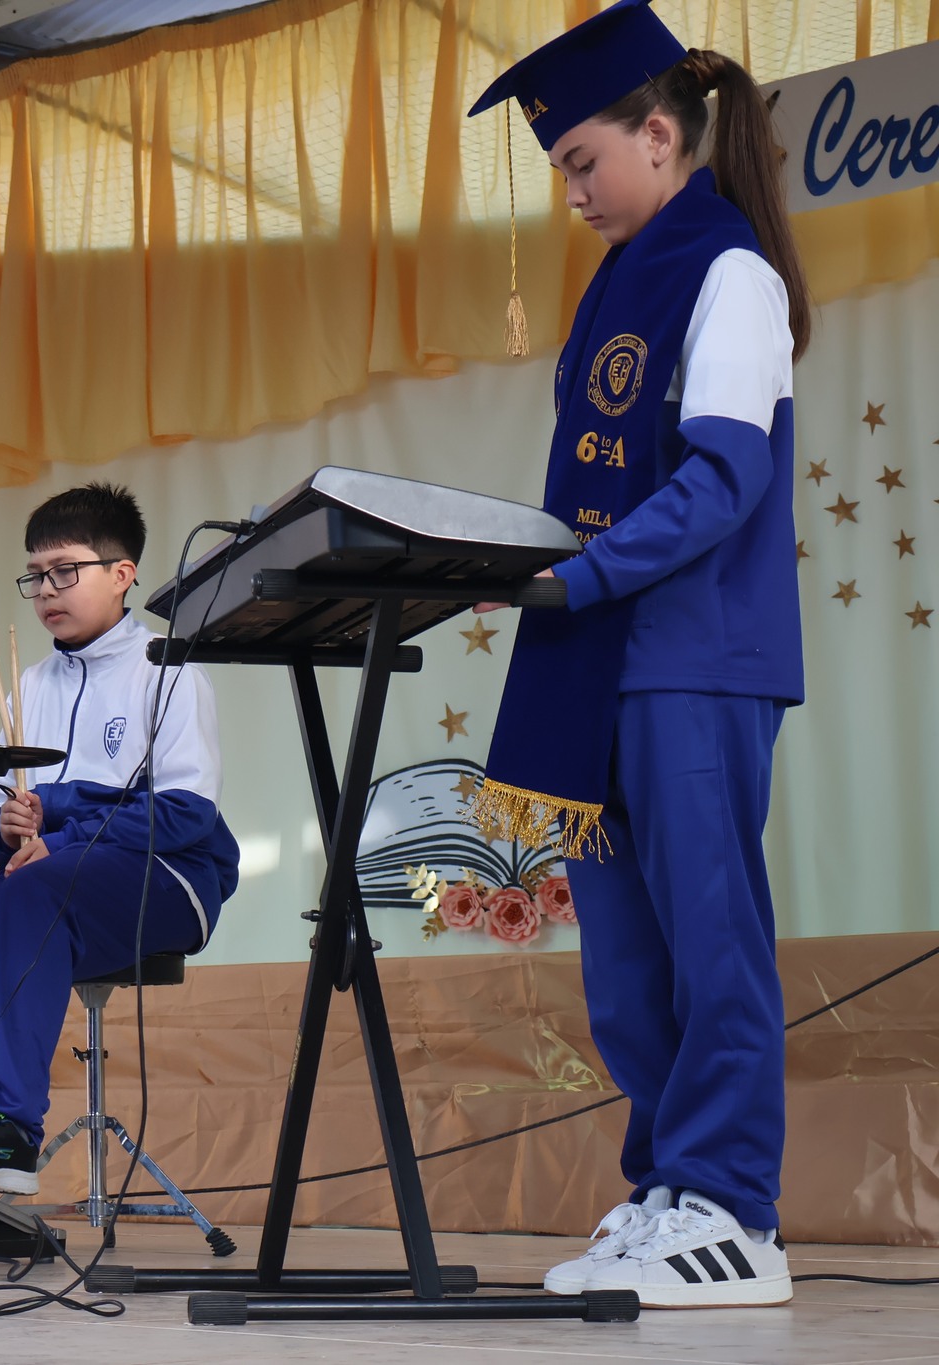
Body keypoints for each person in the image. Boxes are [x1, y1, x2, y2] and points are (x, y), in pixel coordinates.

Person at [468, 0, 809, 1308]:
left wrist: (580, 575)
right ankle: (671, 1184)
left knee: (709, 940)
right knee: (624, 961)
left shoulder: (729, 271)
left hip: (690, 664)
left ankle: (736, 1209)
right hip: (594, 674)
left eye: (580, 163)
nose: (571, 195)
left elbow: (726, 475)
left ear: (660, 136)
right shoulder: (620, 279)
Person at [0, 483, 239, 1193]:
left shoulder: (168, 666)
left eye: (66, 570)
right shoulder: (29, 683)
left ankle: (5, 1129)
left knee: (33, 896)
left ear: (122, 573)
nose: (45, 590)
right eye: (36, 574)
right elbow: (6, 831)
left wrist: (60, 828)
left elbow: (187, 813)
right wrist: (7, 832)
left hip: (168, 877)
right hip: (47, 884)